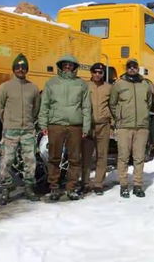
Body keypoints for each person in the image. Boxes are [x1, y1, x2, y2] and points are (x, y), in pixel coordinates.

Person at [38, 55, 91, 201]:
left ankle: (71, 187)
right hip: (56, 124)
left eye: (71, 65)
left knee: (75, 159)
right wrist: (43, 123)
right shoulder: (51, 83)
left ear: (75, 67)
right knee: (54, 158)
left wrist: (86, 126)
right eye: (65, 64)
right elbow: (45, 105)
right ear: (61, 66)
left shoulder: (81, 84)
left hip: (75, 125)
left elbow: (86, 107)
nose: (68, 67)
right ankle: (54, 187)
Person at [0, 53, 41, 205]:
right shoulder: (5, 87)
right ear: (13, 69)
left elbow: (36, 108)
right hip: (10, 131)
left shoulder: (33, 88)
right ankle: (6, 189)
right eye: (18, 67)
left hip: (27, 131)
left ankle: (29, 188)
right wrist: (7, 121)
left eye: (23, 67)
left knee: (30, 161)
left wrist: (30, 121)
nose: (21, 70)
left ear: (26, 70)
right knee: (6, 161)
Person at [109, 59, 153, 198]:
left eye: (135, 67)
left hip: (142, 127)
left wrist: (144, 115)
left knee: (139, 157)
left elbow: (150, 102)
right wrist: (119, 117)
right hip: (124, 127)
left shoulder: (145, 84)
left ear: (137, 68)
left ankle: (138, 185)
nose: (132, 69)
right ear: (126, 68)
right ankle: (124, 185)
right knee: (123, 157)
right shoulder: (119, 84)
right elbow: (113, 103)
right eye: (130, 67)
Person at [81, 63, 112, 195]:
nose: (98, 75)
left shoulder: (109, 88)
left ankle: (99, 183)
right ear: (91, 73)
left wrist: (112, 120)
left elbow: (113, 104)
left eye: (100, 72)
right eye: (95, 72)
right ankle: (85, 182)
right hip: (88, 125)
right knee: (86, 156)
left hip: (103, 125)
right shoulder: (85, 86)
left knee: (102, 155)